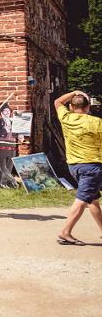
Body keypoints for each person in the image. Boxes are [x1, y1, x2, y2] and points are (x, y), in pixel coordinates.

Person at [55, 90, 102, 246]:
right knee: (82, 199)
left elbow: (57, 102)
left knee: (93, 200)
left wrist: (74, 92)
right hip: (92, 166)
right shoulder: (96, 123)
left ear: (71, 106)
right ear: (88, 107)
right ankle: (65, 232)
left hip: (74, 165)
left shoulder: (66, 118)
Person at [0, 103, 18, 188]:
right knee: (2, 166)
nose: (7, 112)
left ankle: (4, 183)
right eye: (5, 110)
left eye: (8, 110)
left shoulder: (13, 121)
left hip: (12, 145)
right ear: (1, 112)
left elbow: (16, 132)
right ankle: (13, 181)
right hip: (2, 145)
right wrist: (5, 130)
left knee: (10, 165)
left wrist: (20, 136)